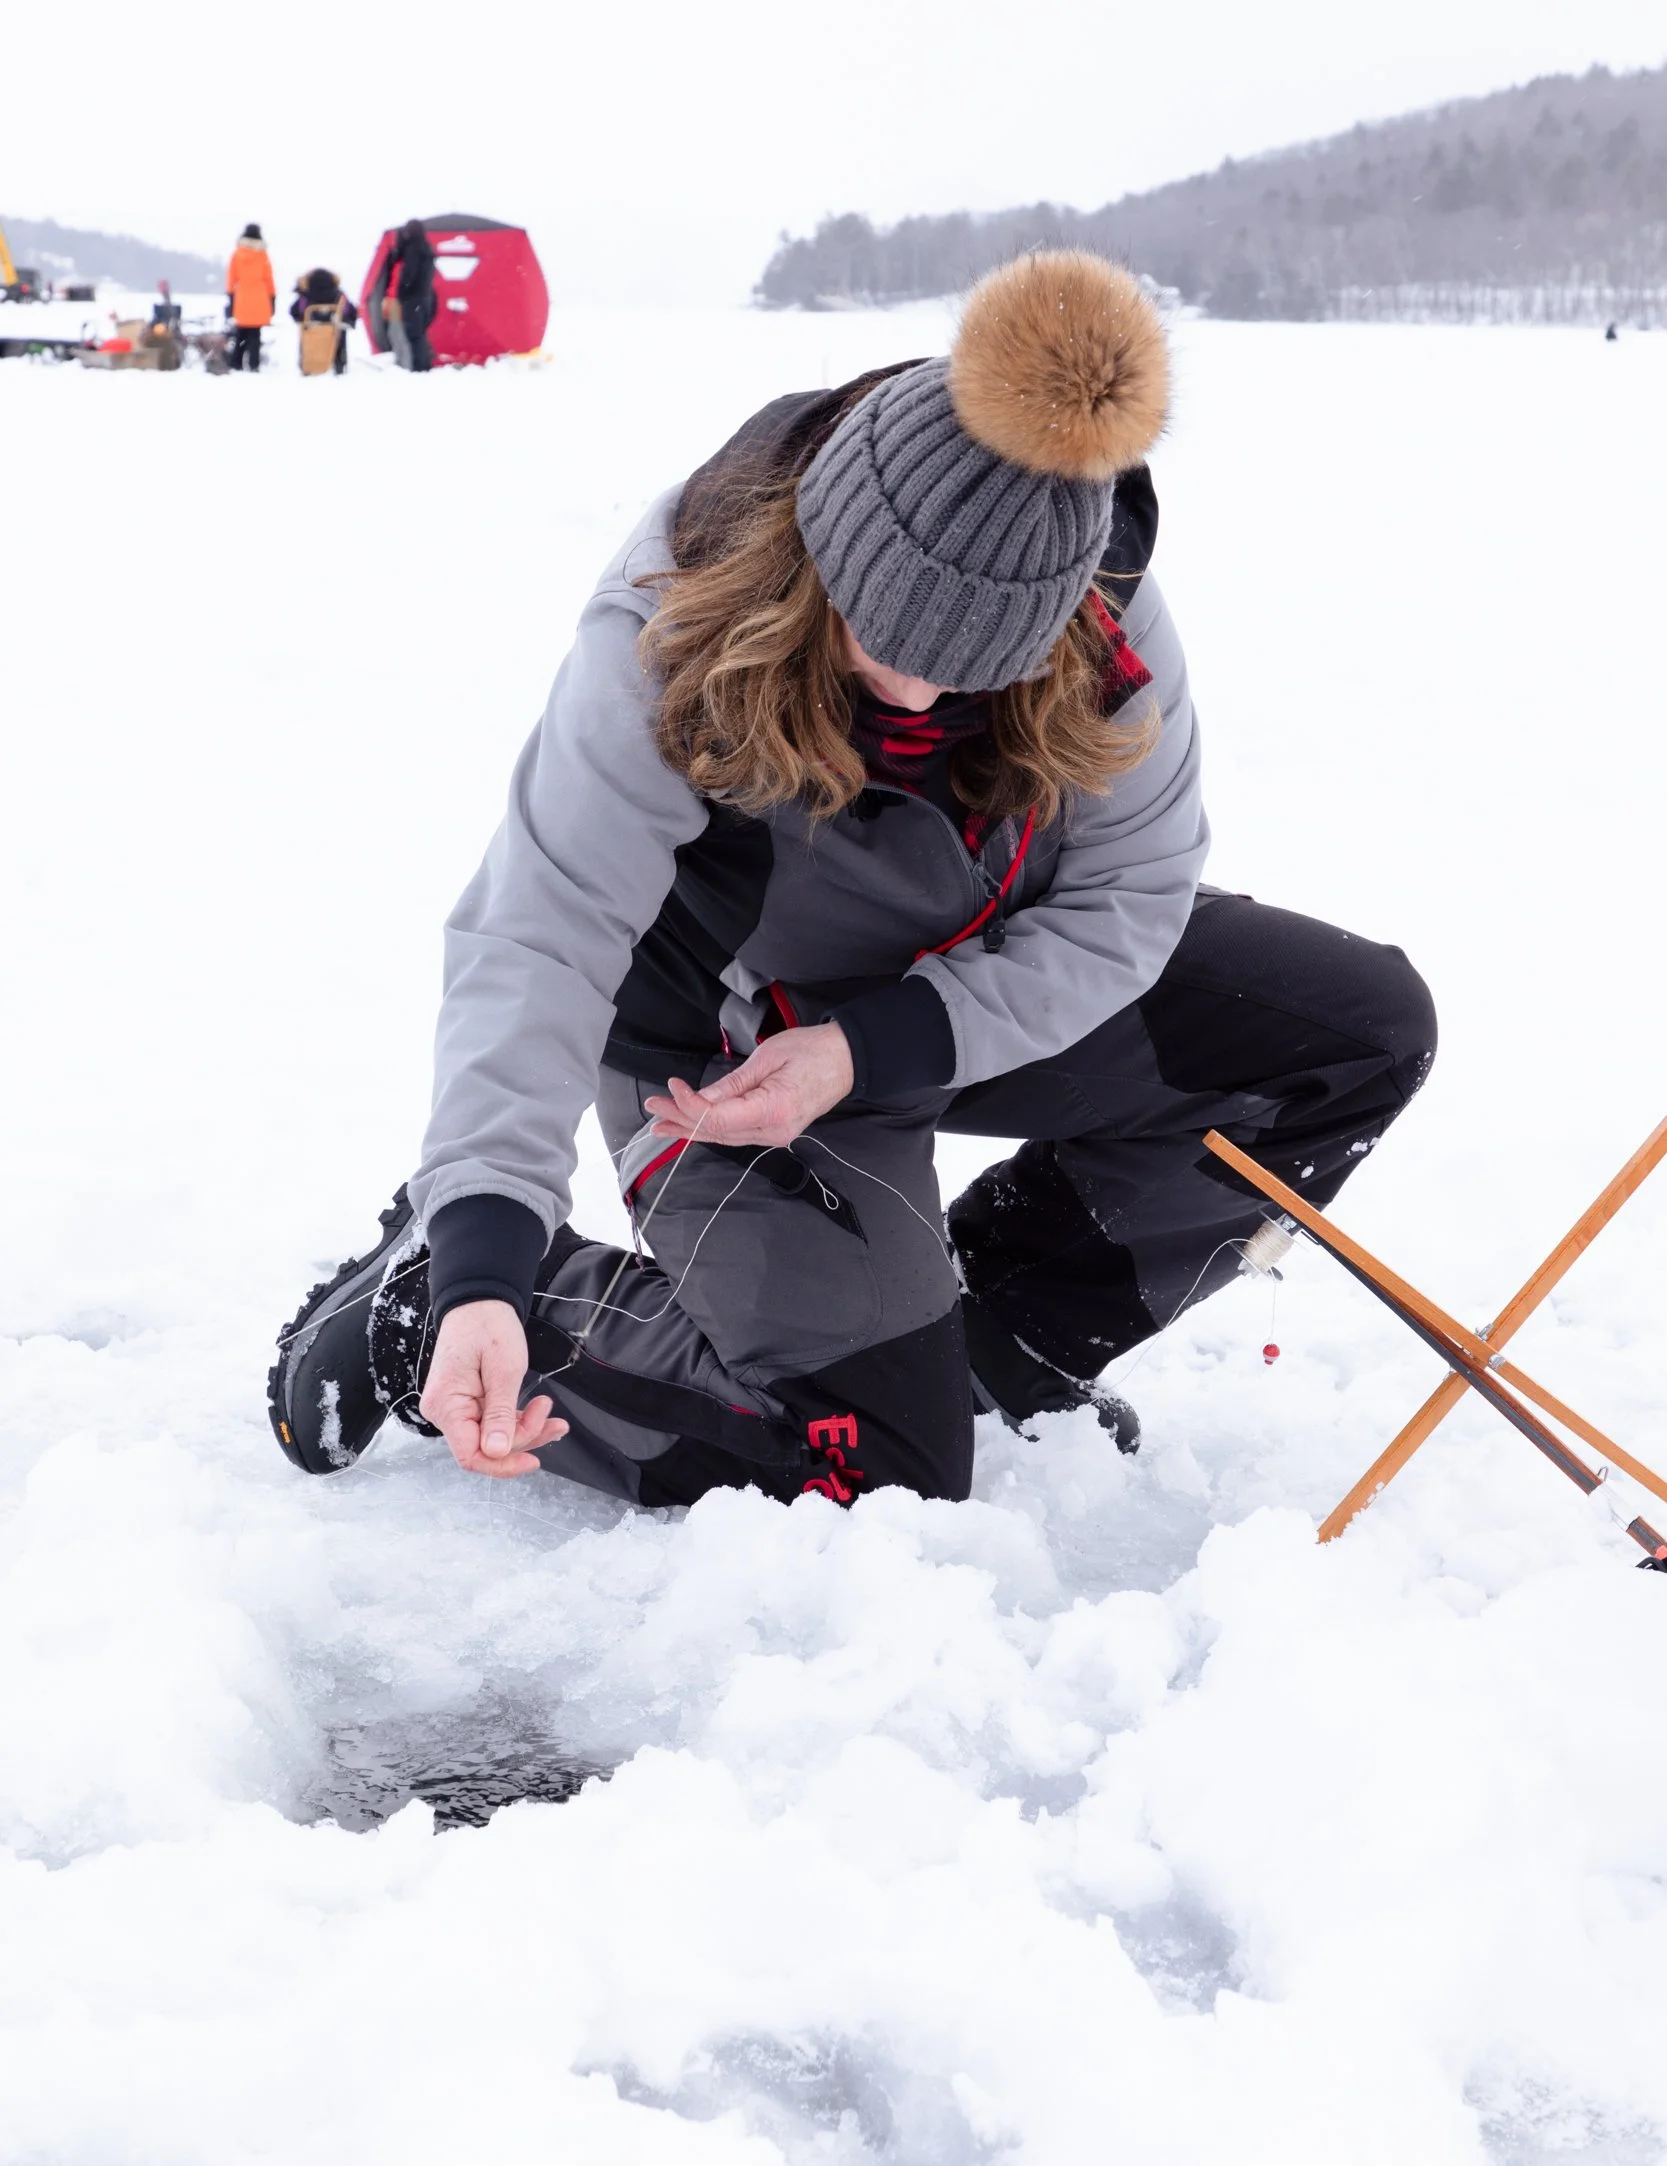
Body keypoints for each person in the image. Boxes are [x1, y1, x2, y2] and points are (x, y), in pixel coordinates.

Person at [269, 252, 1436, 1509]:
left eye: (972, 671)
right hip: (721, 1057)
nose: (922, 698)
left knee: (1350, 1036)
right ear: (824, 560)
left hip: (938, 1008)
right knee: (866, 1470)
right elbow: (541, 936)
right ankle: (434, 1296)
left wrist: (874, 1044)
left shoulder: (1102, 613)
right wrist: (482, 1248)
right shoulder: (669, 621)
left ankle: (995, 1339)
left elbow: (1131, 900)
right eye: (887, 652)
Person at [381, 218, 436, 371]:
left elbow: (408, 277)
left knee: (405, 335)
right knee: (406, 334)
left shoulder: (413, 250)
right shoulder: (423, 250)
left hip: (406, 300)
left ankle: (409, 367)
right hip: (412, 299)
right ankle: (413, 366)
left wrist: (402, 293)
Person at [290, 267, 359, 376]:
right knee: (340, 332)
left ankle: (308, 365)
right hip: (334, 326)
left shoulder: (305, 294)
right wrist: (350, 320)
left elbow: (295, 311)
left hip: (312, 327)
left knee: (306, 334)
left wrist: (300, 320)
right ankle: (339, 364)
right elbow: (349, 310)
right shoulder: (338, 293)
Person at [225, 223, 275, 372]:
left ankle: (236, 363)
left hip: (242, 297)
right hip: (260, 298)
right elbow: (269, 279)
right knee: (255, 334)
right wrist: (273, 299)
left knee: (240, 332)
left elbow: (231, 278)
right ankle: (254, 364)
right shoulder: (262, 255)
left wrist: (231, 296)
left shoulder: (237, 254)